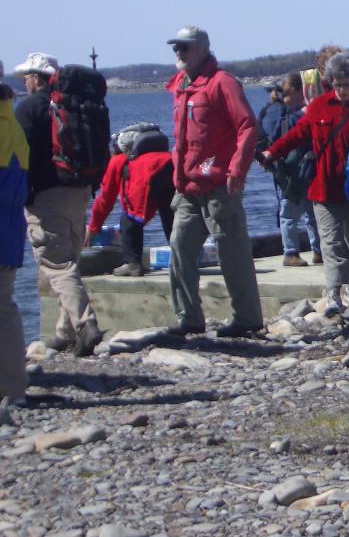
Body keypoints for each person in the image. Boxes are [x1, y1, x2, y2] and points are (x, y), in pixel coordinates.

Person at [264, 52, 349, 314]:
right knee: (331, 243)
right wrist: (271, 153)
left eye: (347, 85)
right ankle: (333, 293)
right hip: (323, 189)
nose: (341, 90)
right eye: (337, 84)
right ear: (330, 82)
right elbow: (297, 135)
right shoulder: (319, 106)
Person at [165, 26, 264, 337]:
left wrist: (237, 171)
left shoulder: (222, 83)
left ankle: (247, 318)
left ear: (203, 49)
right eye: (176, 47)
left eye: (184, 47)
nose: (178, 52)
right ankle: (188, 318)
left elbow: (247, 126)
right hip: (187, 186)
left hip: (219, 185)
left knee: (232, 253)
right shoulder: (180, 86)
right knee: (179, 247)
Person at [13, 52, 103, 356]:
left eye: (26, 77)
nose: (24, 83)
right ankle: (65, 332)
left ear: (35, 78)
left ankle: (85, 323)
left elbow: (20, 155)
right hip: (79, 189)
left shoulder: (29, 108)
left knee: (56, 264)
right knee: (70, 260)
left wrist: (21, 194)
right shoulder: (74, 105)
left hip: (47, 195)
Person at [85, 126, 174, 276]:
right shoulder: (165, 156)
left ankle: (133, 264)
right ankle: (183, 261)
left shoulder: (118, 160)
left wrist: (93, 228)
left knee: (128, 218)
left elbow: (106, 199)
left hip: (144, 182)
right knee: (171, 217)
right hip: (170, 170)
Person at [258, 73, 321, 267]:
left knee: (299, 210)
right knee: (298, 210)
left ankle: (307, 250)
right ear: (294, 91)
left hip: (288, 166)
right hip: (294, 167)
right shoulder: (287, 113)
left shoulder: (269, 111)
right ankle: (297, 251)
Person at [0, 71, 29, 408]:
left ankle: (11, 388)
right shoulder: (13, 124)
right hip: (9, 230)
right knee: (4, 305)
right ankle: (12, 385)